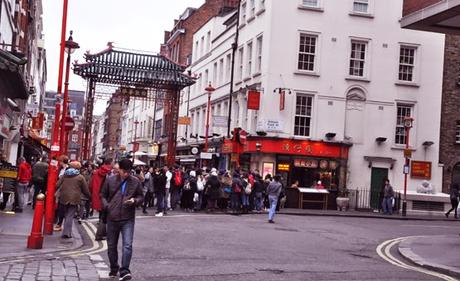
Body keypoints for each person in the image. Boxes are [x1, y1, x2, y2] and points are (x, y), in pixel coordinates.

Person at [100, 159, 144, 281]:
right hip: (112, 217)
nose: (125, 174)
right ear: (119, 169)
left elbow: (141, 196)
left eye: (128, 172)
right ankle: (114, 268)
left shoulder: (135, 181)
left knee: (127, 245)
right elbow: (102, 195)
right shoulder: (110, 180)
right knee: (111, 245)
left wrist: (135, 201)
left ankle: (125, 270)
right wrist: (107, 206)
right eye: (123, 171)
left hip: (127, 217)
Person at [56, 161, 90, 239]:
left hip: (63, 197)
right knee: (69, 215)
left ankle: (65, 231)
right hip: (74, 198)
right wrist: (89, 196)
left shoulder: (65, 175)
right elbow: (85, 190)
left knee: (66, 214)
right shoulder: (80, 177)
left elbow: (57, 185)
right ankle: (67, 233)